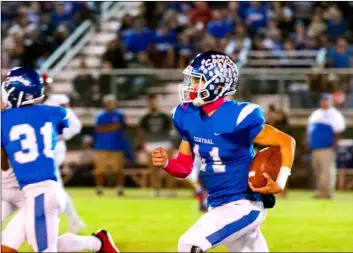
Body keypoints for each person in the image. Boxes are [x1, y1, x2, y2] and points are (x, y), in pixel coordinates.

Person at [151, 51, 296, 252]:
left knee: (189, 244)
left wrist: (280, 182)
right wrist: (167, 163)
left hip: (243, 205)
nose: (191, 86)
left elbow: (286, 142)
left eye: (198, 81)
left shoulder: (239, 116)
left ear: (217, 84)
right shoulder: (187, 115)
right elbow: (184, 168)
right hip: (218, 204)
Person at [1, 67, 119, 253]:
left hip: (37, 193)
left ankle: (97, 243)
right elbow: (61, 126)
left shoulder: (5, 120)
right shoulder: (54, 112)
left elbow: (4, 160)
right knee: (13, 247)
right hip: (48, 190)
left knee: (46, 249)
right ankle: (98, 243)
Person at [44, 93, 85, 233]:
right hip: (39, 149)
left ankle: (71, 220)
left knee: (53, 186)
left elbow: (76, 125)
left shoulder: (57, 100)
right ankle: (74, 220)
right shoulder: (27, 101)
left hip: (54, 148)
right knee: (52, 186)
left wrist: (62, 134)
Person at [307, 93, 346, 199]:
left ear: (331, 101)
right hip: (315, 147)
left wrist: (333, 145)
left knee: (327, 171)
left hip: (327, 147)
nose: (324, 102)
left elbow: (338, 131)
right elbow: (310, 130)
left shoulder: (335, 114)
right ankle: (320, 192)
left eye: (326, 100)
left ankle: (327, 192)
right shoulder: (316, 113)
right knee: (318, 170)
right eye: (323, 100)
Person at [137, 94, 176, 197]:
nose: (152, 103)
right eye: (151, 101)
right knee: (153, 169)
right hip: (150, 145)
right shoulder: (145, 117)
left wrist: (171, 142)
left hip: (165, 144)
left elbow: (172, 128)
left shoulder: (164, 116)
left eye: (154, 101)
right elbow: (140, 132)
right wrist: (143, 145)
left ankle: (171, 189)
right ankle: (156, 189)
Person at [94, 94, 126, 196]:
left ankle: (120, 188)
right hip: (102, 146)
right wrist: (112, 127)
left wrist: (107, 127)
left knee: (118, 169)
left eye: (112, 102)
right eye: (108, 103)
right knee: (100, 170)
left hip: (117, 146)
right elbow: (98, 128)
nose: (110, 105)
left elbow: (121, 126)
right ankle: (99, 188)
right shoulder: (100, 115)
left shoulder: (120, 114)